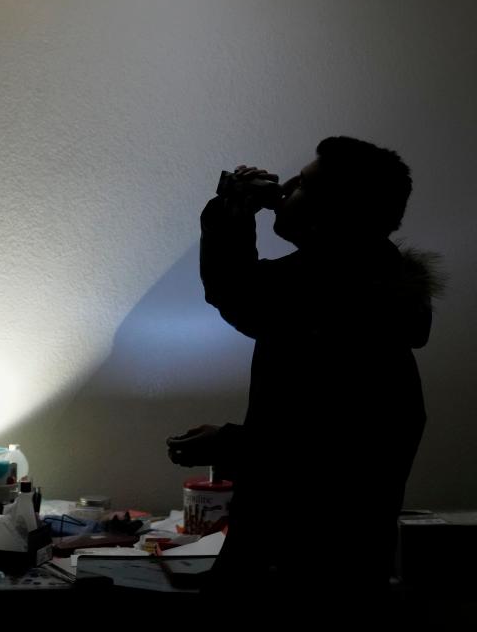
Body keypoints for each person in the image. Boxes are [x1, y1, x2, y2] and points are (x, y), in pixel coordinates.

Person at [167, 137, 442, 623]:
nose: (285, 187)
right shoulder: (363, 289)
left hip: (305, 581)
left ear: (333, 215)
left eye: (304, 185)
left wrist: (230, 443)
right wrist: (233, 212)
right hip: (327, 572)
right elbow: (245, 294)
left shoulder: (339, 301)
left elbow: (326, 451)